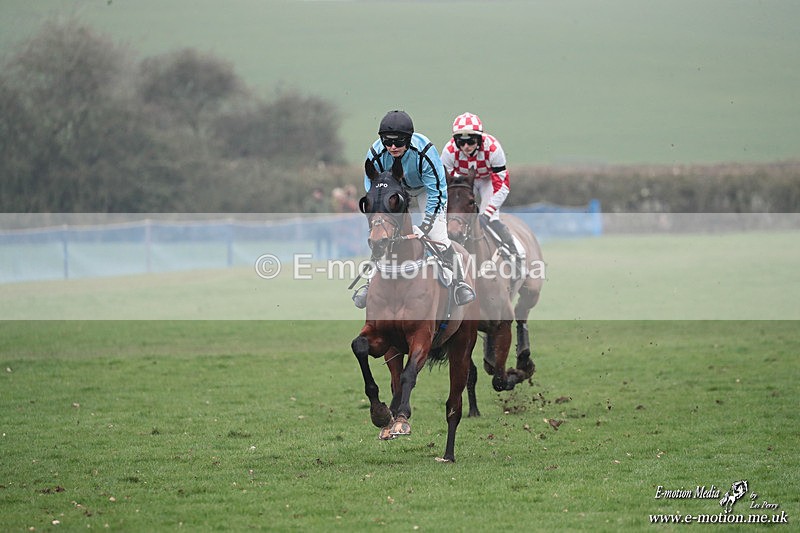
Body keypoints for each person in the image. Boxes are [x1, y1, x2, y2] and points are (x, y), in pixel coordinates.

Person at [352, 110, 475, 309]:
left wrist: (426, 226)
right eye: (387, 142)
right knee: (381, 237)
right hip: (395, 192)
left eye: (398, 142)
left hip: (426, 190)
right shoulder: (375, 154)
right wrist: (379, 219)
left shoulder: (425, 152)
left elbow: (437, 191)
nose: (392, 147)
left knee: (439, 236)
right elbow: (373, 190)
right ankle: (369, 284)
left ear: (408, 140)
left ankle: (460, 283)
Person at [441, 112, 521, 261]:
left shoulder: (493, 149)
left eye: (471, 141)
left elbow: (502, 185)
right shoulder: (449, 152)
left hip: (487, 180)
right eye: (460, 142)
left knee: (491, 218)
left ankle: (514, 253)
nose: (465, 146)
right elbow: (443, 184)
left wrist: (487, 213)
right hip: (462, 181)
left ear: (479, 139)